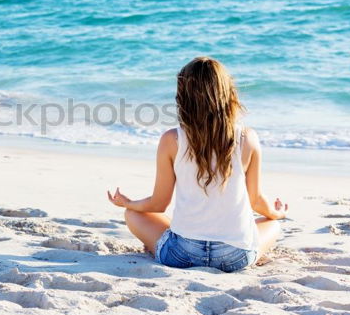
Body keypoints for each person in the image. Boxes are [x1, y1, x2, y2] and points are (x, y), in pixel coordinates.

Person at [107, 57, 288, 272]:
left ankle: (159, 246)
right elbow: (256, 201)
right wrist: (277, 214)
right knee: (272, 225)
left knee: (132, 214)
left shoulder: (172, 140)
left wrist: (128, 203)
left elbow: (158, 204)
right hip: (234, 257)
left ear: (184, 97)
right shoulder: (247, 138)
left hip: (181, 254)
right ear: (227, 94)